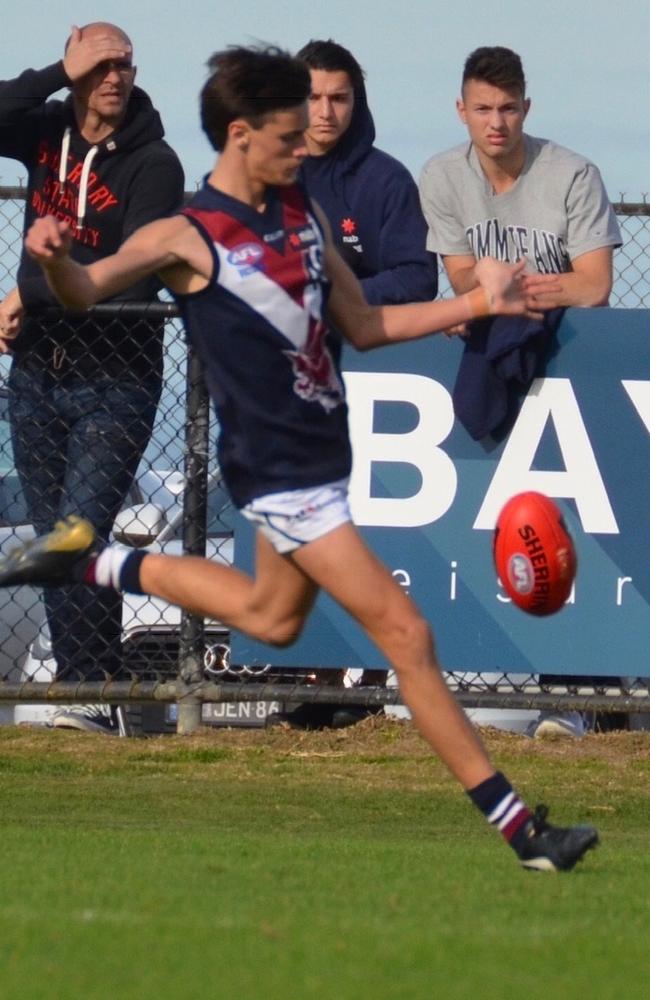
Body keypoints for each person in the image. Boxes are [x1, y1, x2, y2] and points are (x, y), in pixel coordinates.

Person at [3, 44, 597, 871]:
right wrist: (55, 259)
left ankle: (91, 563)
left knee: (269, 617)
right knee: (407, 632)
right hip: (278, 474)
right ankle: (521, 830)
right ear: (241, 135)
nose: (304, 146)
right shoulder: (186, 230)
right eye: (288, 135)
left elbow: (366, 328)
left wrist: (474, 301)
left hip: (323, 464)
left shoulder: (304, 219)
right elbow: (85, 288)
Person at [419, 45, 622, 740]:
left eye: (508, 108)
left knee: (580, 536)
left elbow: (593, 284)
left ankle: (585, 697)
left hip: (571, 366)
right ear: (462, 110)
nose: (496, 122)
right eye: (483, 109)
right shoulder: (442, 176)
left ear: (526, 109)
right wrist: (490, 296)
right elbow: (459, 278)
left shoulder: (572, 174)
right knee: (498, 529)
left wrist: (512, 291)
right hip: (496, 358)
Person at [0, 22, 185, 733]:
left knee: (78, 535)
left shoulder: (154, 163)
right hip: (37, 378)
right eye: (101, 64)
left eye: (125, 64)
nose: (115, 76)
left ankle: (86, 691)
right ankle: (103, 697)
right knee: (59, 538)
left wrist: (30, 289)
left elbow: (127, 277)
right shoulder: (47, 130)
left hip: (117, 377)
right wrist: (53, 70)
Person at [265, 38, 439, 730]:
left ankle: (368, 681)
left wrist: (338, 295)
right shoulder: (267, 174)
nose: (327, 111)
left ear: (356, 100)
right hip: (287, 390)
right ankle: (312, 677)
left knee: (371, 540)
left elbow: (417, 278)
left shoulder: (387, 181)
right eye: (314, 96)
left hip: (382, 392)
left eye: (340, 97)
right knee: (299, 535)